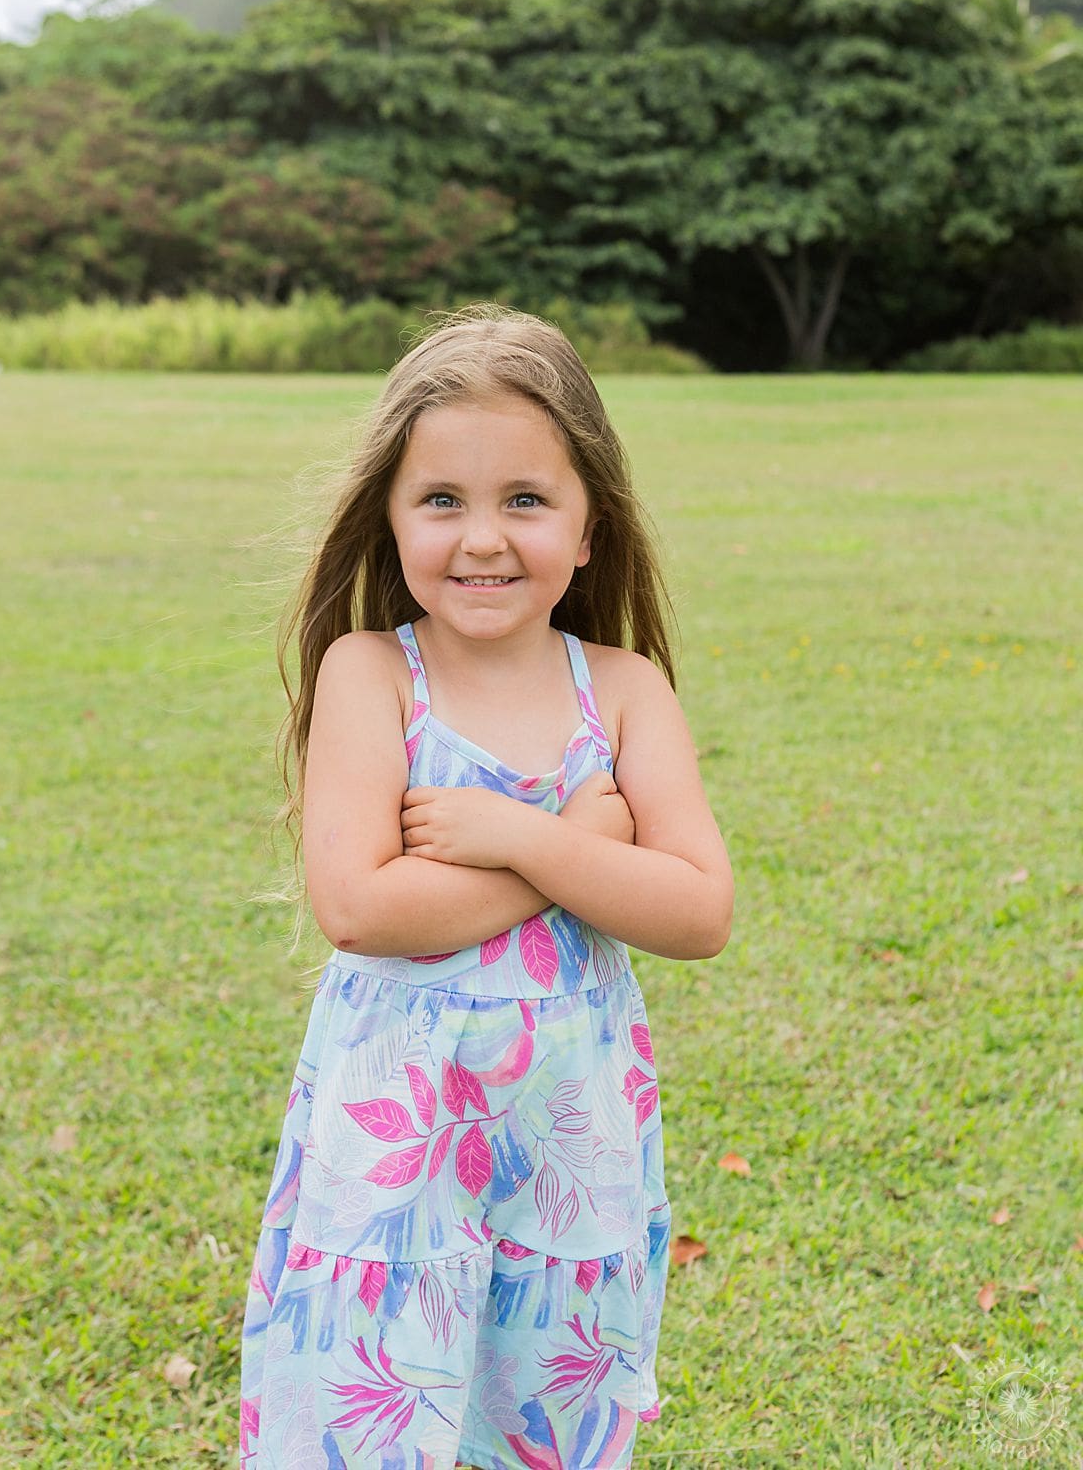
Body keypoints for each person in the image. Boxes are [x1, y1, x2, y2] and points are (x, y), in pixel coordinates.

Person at [239, 304, 734, 1470]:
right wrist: (568, 847)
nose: (482, 538)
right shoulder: (371, 675)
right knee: (371, 1420)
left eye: (526, 499)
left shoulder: (622, 692)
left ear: (589, 528)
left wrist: (517, 838)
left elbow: (700, 911)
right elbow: (361, 907)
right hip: (397, 1138)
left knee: (543, 1426)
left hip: (566, 1141)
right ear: (393, 517)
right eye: (442, 501)